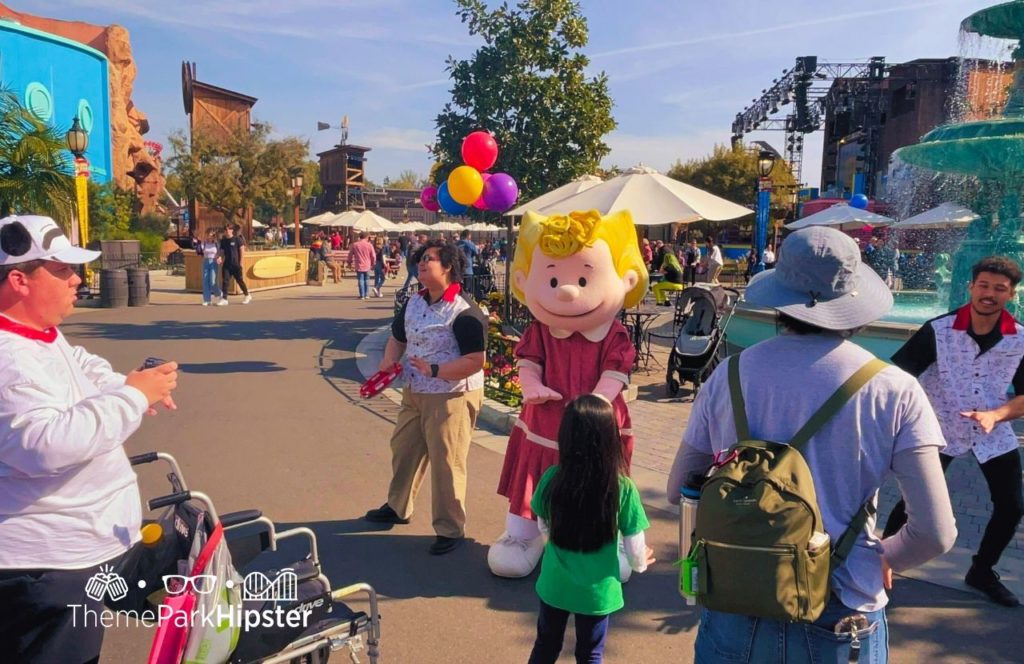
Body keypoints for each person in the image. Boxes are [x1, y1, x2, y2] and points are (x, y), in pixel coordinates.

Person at [668, 226, 956, 663]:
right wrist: (886, 558)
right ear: (853, 302)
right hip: (841, 610)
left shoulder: (727, 376)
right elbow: (935, 532)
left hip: (734, 602)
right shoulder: (893, 390)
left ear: (780, 300)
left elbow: (677, 489)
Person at [0, 215, 179, 662]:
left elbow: (81, 364)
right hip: (49, 568)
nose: (78, 279)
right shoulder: (9, 358)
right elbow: (43, 445)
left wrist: (126, 384)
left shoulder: (37, 333)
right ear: (19, 280)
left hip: (76, 553)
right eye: (62, 270)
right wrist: (133, 398)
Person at [488, 209, 646, 579]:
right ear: (525, 280)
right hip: (546, 419)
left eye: (581, 278)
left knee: (603, 473)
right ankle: (523, 533)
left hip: (598, 424)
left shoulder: (613, 333)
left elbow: (615, 372)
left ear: (626, 279)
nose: (567, 290)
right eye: (554, 279)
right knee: (535, 469)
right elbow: (528, 362)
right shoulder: (541, 331)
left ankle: (610, 535)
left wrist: (599, 401)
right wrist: (531, 386)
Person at [882, 256, 1024, 607]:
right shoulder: (939, 330)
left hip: (991, 428)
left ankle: (982, 570)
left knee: (1012, 505)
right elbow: (899, 377)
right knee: (912, 502)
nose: (990, 294)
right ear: (971, 287)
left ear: (1012, 294)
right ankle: (879, 560)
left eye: (999, 289)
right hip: (938, 425)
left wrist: (998, 415)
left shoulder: (1020, 338)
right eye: (984, 286)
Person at [364, 240, 486, 555]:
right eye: (419, 258)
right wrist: (388, 361)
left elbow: (475, 361)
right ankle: (398, 505)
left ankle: (450, 527)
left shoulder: (464, 310)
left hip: (451, 394)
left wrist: (436, 369)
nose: (420, 263)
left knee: (447, 462)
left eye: (428, 259)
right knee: (403, 448)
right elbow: (397, 337)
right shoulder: (415, 302)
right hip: (415, 391)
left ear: (447, 267)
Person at [527, 395, 654, 664]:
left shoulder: (552, 477)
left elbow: (542, 521)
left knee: (546, 645)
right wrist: (640, 562)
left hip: (555, 584)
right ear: (610, 437)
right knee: (590, 652)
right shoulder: (622, 488)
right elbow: (634, 542)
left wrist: (553, 540)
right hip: (597, 592)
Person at [217, 224, 251, 305]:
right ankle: (224, 299)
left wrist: (241, 263)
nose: (227, 231)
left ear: (232, 230)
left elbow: (242, 250)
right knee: (225, 281)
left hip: (236, 264)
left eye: (229, 229)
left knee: (239, 280)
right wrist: (219, 257)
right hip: (227, 264)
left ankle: (247, 295)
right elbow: (221, 251)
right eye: (225, 230)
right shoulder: (223, 241)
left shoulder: (237, 239)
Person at [347, 232, 376, 300]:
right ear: (366, 237)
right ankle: (366, 294)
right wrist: (373, 263)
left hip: (359, 264)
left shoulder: (355, 245)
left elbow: (350, 254)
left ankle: (362, 295)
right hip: (367, 264)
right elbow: (373, 255)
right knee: (366, 279)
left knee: (360, 279)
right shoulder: (369, 245)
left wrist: (349, 262)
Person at [198, 229, 220, 305]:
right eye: (208, 234)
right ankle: (207, 300)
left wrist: (219, 257)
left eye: (211, 234)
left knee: (212, 281)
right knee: (205, 281)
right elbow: (199, 251)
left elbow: (220, 252)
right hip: (206, 261)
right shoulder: (204, 243)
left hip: (213, 261)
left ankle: (220, 294)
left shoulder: (216, 243)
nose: (210, 235)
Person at [457, 230, 480, 296]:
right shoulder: (470, 244)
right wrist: (479, 263)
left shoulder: (456, 244)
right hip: (468, 269)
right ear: (468, 235)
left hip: (457, 270)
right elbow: (477, 254)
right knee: (467, 290)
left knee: (458, 290)